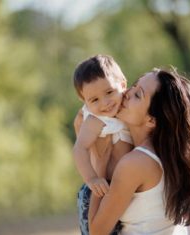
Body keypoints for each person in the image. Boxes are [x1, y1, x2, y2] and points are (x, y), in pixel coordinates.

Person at [84, 68, 190, 234]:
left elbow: (96, 231)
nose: (128, 93)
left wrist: (99, 165)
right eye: (134, 86)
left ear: (152, 120)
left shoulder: (136, 163)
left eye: (138, 95)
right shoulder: (168, 156)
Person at [72, 55, 133, 235]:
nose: (105, 103)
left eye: (109, 92)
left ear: (122, 85)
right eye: (94, 100)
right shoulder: (96, 120)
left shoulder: (130, 108)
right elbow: (80, 148)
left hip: (119, 189)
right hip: (99, 189)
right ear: (85, 102)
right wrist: (91, 179)